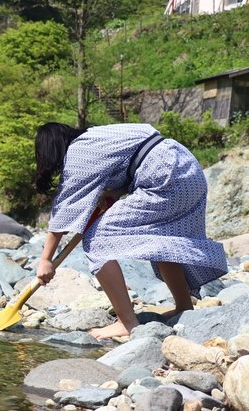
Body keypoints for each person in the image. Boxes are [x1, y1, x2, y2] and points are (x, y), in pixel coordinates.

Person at [34, 122, 228, 340]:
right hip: (188, 171)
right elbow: (136, 158)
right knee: (165, 240)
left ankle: (127, 323)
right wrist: (113, 195)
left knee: (97, 240)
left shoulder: (79, 152)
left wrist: (45, 259)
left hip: (165, 179)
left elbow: (65, 208)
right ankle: (184, 307)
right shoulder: (100, 136)